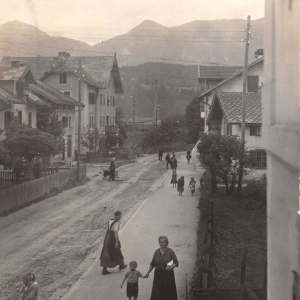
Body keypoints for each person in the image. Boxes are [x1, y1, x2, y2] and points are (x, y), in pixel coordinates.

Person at [144, 236, 178, 300]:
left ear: (167, 243)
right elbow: (152, 263)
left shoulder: (171, 252)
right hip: (158, 275)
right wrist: (148, 273)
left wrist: (171, 267)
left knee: (168, 292)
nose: (162, 244)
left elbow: (176, 263)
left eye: (163, 242)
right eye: (160, 242)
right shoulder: (156, 252)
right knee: (157, 292)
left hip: (168, 275)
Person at [100, 211, 127, 275]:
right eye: (118, 216)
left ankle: (104, 269)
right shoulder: (116, 223)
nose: (120, 217)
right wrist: (117, 242)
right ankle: (121, 265)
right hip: (112, 239)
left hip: (107, 238)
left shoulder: (110, 221)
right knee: (117, 251)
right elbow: (115, 233)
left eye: (120, 216)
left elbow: (108, 230)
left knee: (106, 252)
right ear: (115, 216)